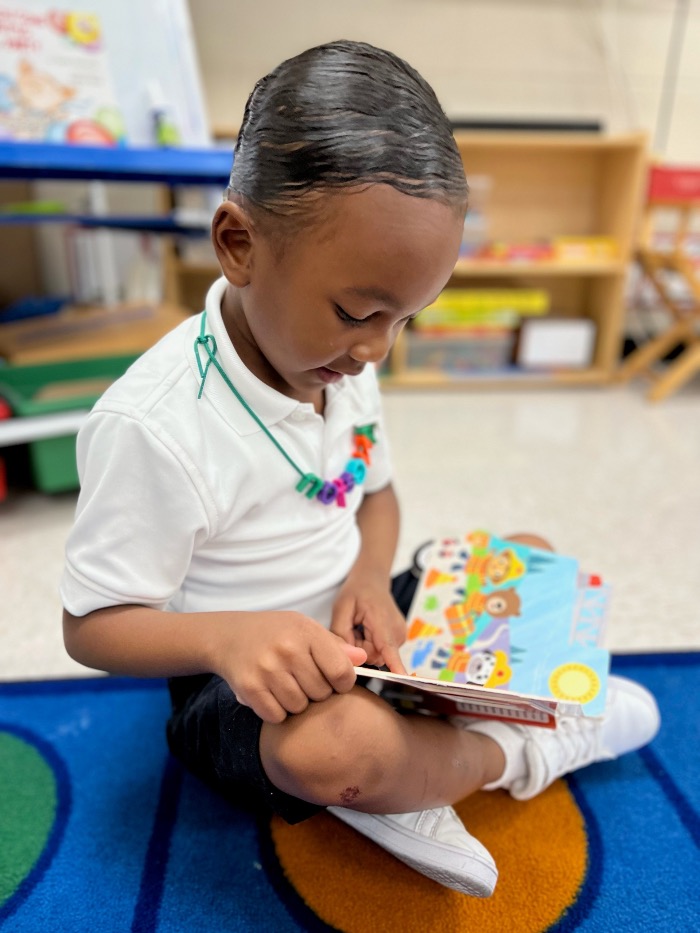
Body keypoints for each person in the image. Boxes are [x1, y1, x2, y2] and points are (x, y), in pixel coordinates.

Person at [61, 40, 660, 898]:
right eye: (357, 311)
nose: (377, 347)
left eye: (404, 319)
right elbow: (92, 624)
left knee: (526, 554)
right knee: (334, 748)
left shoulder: (339, 363)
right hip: (242, 682)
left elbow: (375, 497)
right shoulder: (153, 424)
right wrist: (228, 639)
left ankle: (411, 761)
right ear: (239, 244)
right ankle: (522, 750)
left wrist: (373, 578)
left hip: (363, 631)